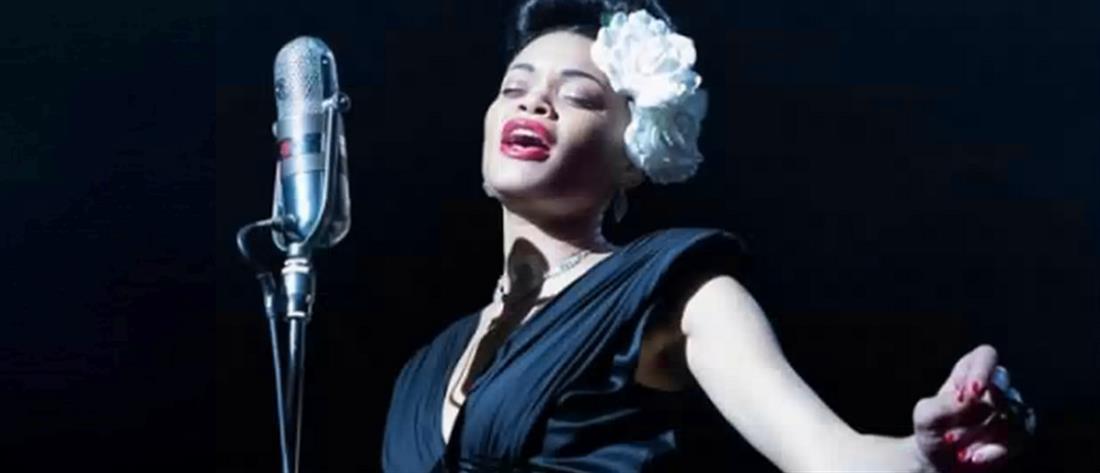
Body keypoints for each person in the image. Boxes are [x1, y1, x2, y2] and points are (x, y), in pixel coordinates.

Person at [382, 1, 1034, 471]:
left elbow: (827, 454)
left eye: (578, 96)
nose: (533, 103)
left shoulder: (674, 290)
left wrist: (921, 456)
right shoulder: (423, 368)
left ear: (634, 156)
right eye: (514, 88)